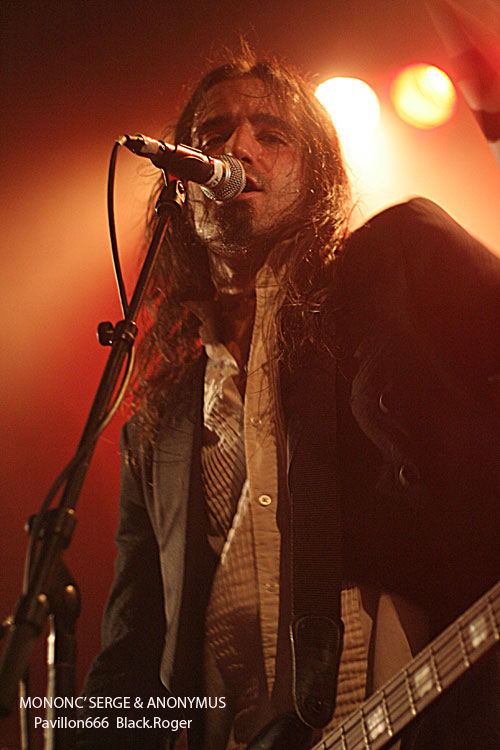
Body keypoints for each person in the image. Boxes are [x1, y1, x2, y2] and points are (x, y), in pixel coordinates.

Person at [78, 49, 500, 750]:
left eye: (271, 135)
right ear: (182, 181)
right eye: (212, 135)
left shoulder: (397, 267)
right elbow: (129, 661)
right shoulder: (158, 425)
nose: (237, 149)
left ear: (317, 176)